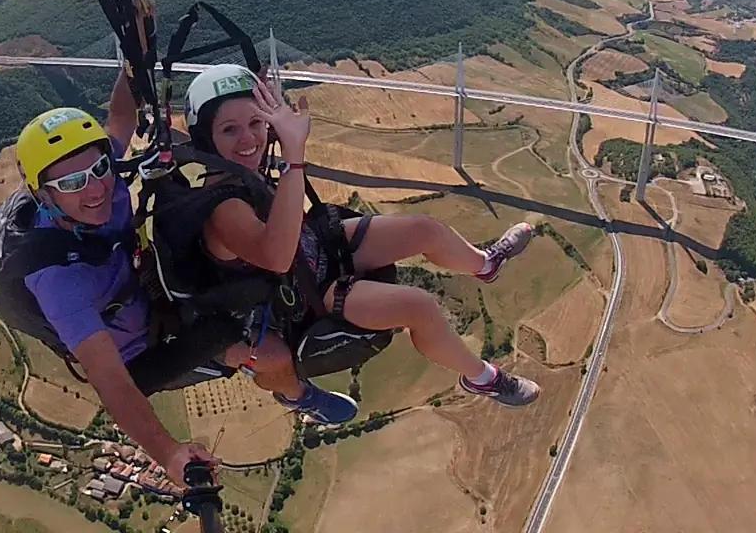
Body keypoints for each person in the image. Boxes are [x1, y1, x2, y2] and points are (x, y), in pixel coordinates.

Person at [9, 68, 358, 482]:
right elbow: (111, 381)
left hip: (154, 296)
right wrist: (169, 453)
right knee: (273, 354)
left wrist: (132, 65)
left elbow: (121, 118)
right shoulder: (57, 280)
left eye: (100, 168)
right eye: (72, 182)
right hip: (142, 355)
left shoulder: (101, 181)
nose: (95, 189)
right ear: (43, 194)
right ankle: (296, 395)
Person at [179, 63, 542, 407]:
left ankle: (485, 265)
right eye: (229, 129)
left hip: (312, 255)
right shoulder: (224, 208)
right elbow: (277, 258)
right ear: (206, 138)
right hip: (304, 297)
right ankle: (483, 378)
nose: (248, 138)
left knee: (425, 230)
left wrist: (259, 100)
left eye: (256, 123)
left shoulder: (241, 173)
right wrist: (294, 154)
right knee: (419, 307)